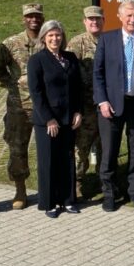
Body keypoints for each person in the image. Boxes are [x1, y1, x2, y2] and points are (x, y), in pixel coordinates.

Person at [93, 1, 134, 212]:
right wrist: (102, 101)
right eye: (129, 16)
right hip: (111, 106)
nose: (133, 20)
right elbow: (98, 73)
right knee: (110, 151)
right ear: (120, 16)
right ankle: (110, 193)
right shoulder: (107, 39)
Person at [27, 20, 83, 218]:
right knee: (49, 161)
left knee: (67, 159)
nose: (55, 38)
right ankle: (49, 203)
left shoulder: (70, 57)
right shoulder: (37, 60)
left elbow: (77, 88)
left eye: (58, 35)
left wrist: (78, 111)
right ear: (43, 38)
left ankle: (68, 200)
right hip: (47, 121)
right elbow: (36, 92)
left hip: (68, 118)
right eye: (50, 35)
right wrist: (49, 119)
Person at [0, 3, 44, 210]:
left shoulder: (49, 39)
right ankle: (20, 189)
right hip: (18, 107)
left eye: (37, 16)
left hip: (44, 106)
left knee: (48, 149)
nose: (34, 19)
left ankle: (49, 186)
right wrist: (9, 85)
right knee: (17, 148)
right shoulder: (11, 43)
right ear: (23, 19)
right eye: (29, 16)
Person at [66, 6, 104, 199]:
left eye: (97, 19)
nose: (94, 22)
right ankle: (77, 182)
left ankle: (104, 180)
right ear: (84, 21)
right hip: (85, 107)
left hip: (105, 106)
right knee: (81, 148)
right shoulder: (76, 43)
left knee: (105, 146)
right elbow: (68, 74)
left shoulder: (110, 41)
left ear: (103, 21)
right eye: (90, 19)